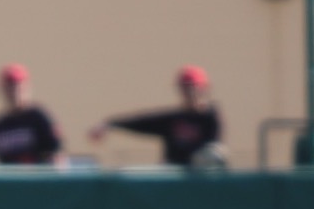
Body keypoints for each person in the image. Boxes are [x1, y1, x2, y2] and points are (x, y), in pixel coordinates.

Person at [88, 65, 224, 168]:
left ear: (204, 89)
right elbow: (142, 122)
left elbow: (212, 151)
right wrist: (110, 124)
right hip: (174, 178)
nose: (190, 94)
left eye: (194, 88)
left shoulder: (211, 118)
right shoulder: (175, 119)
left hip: (199, 180)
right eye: (185, 89)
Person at [0, 63, 65, 166]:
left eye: (19, 86)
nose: (15, 91)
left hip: (36, 179)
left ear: (27, 87)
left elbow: (57, 155)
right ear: (3, 90)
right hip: (8, 181)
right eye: (10, 87)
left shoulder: (39, 119)